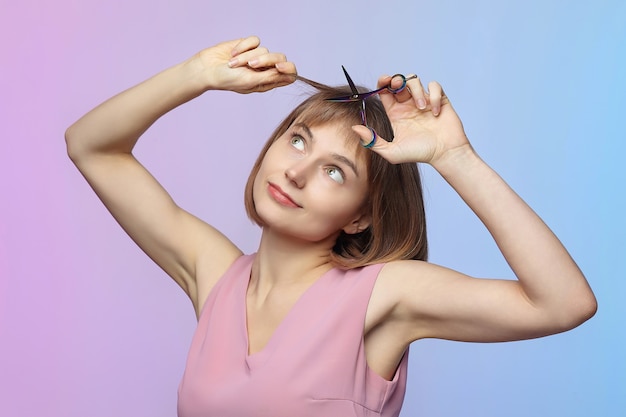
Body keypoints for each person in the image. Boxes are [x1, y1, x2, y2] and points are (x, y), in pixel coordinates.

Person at [65, 36, 597, 417]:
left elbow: (563, 303)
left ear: (362, 214)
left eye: (334, 171)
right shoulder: (216, 275)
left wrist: (454, 156)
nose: (296, 171)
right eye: (299, 140)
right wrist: (197, 74)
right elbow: (91, 147)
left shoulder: (382, 295)